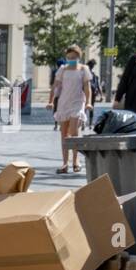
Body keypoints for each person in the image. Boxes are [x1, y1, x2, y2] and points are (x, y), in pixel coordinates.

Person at [49, 45, 91, 175]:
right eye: (69, 57)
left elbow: (87, 87)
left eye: (74, 57)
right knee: (64, 135)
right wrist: (50, 101)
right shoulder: (62, 69)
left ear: (79, 57)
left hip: (77, 102)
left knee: (74, 132)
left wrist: (89, 102)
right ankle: (65, 163)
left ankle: (76, 160)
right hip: (64, 103)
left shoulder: (83, 69)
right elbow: (55, 86)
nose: (71, 59)